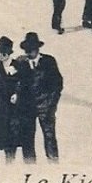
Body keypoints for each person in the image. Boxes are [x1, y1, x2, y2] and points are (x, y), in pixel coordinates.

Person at [13, 32, 63, 163]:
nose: (29, 53)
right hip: (27, 108)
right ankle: (30, 167)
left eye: (31, 50)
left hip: (45, 107)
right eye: (26, 50)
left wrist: (51, 104)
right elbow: (14, 83)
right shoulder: (20, 62)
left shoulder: (48, 61)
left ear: (37, 49)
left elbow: (57, 84)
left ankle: (54, 164)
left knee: (49, 136)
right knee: (27, 139)